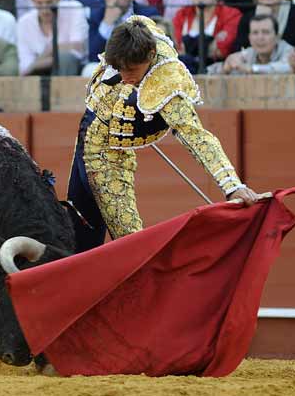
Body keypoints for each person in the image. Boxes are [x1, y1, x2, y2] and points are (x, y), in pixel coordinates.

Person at [68, 15, 259, 252]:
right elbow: (136, 20)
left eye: (132, 70)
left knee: (131, 246)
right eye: (120, 69)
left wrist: (231, 185)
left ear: (149, 55)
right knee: (78, 233)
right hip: (88, 135)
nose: (125, 77)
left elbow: (196, 136)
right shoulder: (139, 30)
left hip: (109, 156)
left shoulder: (166, 82)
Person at [17, 0, 88, 76]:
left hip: (73, 71)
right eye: (39, 3)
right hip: (37, 75)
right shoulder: (24, 22)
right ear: (32, 0)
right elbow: (25, 67)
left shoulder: (74, 9)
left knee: (65, 58)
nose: (45, 9)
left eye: (49, 2)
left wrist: (49, 51)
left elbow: (78, 48)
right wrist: (53, 52)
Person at [172, 0, 242, 74]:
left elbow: (222, 50)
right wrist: (209, 46)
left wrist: (188, 47)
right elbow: (176, 49)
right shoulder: (181, 15)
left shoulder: (232, 14)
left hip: (219, 73)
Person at [88, 0, 159, 63]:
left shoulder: (147, 14)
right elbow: (93, 56)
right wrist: (107, 23)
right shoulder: (96, 15)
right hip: (107, 65)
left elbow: (153, 51)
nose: (115, 0)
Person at [207, 14, 294, 74]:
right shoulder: (247, 54)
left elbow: (288, 67)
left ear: (277, 37)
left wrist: (252, 69)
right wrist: (225, 68)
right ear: (250, 38)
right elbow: (208, 72)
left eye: (266, 32)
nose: (260, 37)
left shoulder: (288, 50)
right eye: (255, 33)